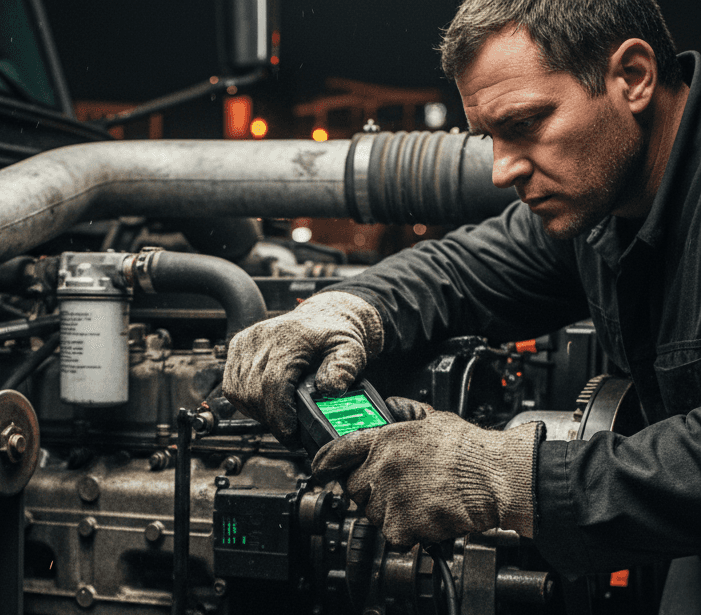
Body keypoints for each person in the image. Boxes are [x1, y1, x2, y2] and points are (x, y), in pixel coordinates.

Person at [223, 0, 698, 577]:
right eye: (490, 136)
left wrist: (503, 477)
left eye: (525, 125)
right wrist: (349, 309)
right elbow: (467, 266)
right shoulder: (602, 206)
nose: (502, 170)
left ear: (633, 78)